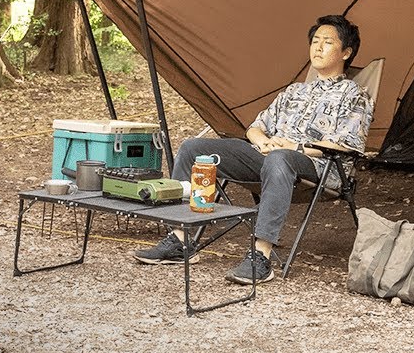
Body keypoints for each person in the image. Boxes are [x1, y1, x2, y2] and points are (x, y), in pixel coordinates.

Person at [132, 14, 374, 284]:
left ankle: (261, 256)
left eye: (327, 42)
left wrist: (294, 146)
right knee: (193, 148)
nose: (317, 47)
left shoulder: (355, 95)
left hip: (318, 168)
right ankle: (180, 239)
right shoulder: (294, 91)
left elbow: (346, 145)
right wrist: (262, 141)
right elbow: (255, 127)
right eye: (315, 41)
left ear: (346, 52)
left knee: (280, 158)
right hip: (269, 159)